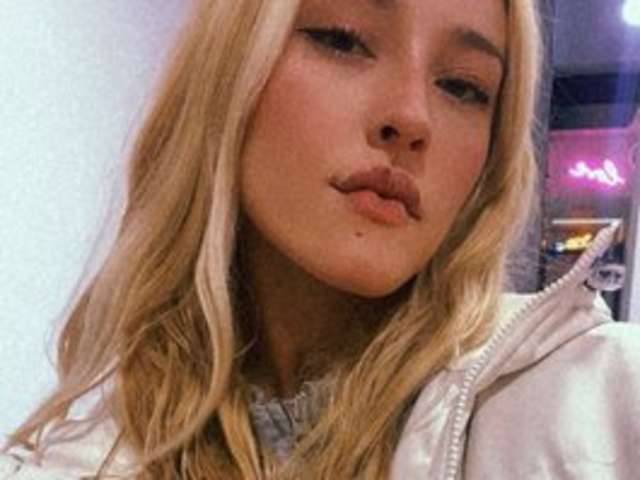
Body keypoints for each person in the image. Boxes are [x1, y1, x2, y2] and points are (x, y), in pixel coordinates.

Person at [1, 0, 639, 478]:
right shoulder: (72, 464)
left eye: (463, 86)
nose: (410, 116)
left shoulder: (603, 408)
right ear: (228, 71)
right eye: (343, 38)